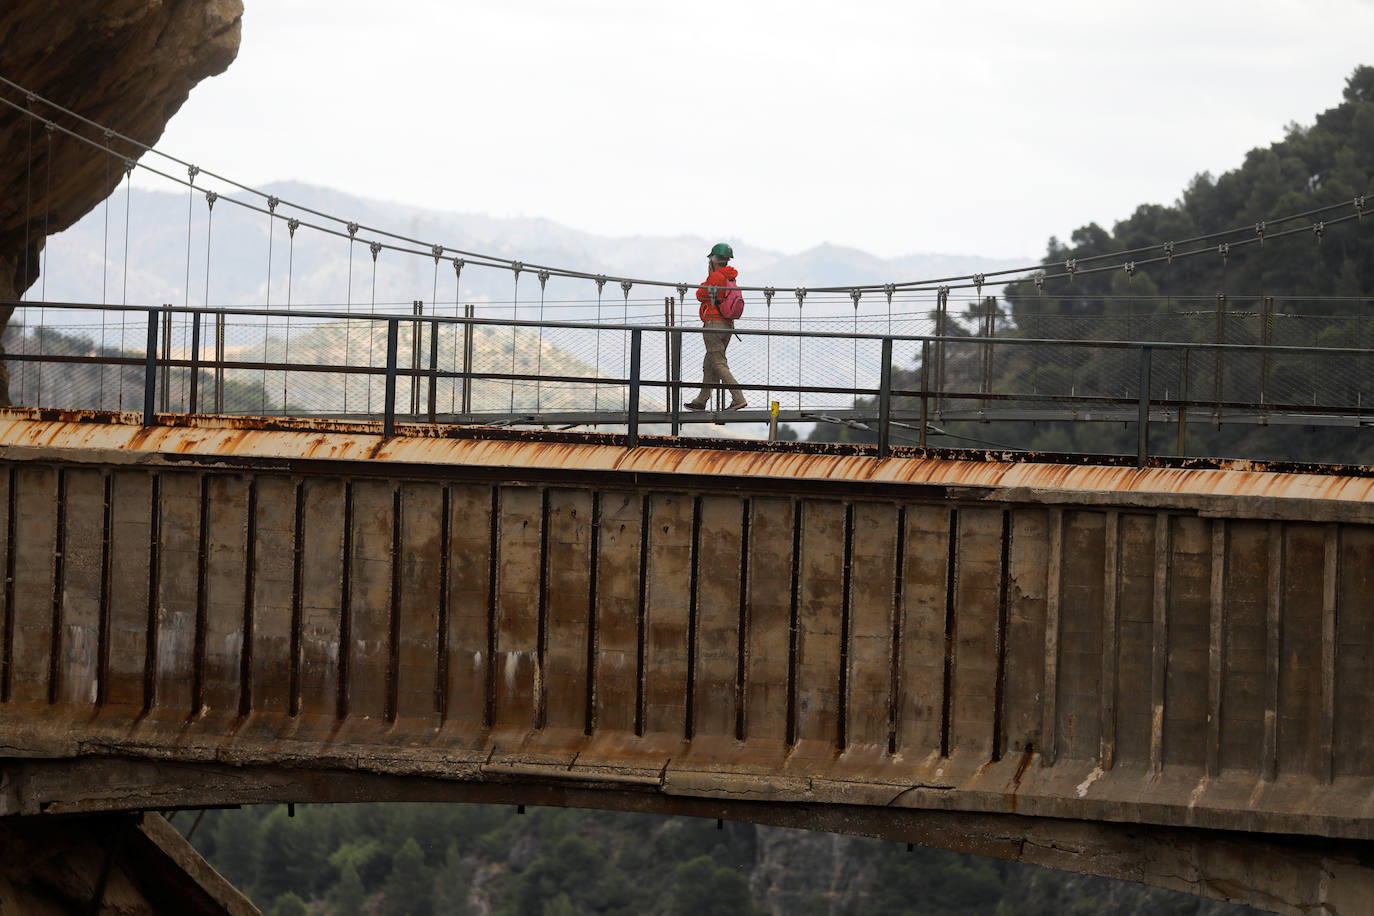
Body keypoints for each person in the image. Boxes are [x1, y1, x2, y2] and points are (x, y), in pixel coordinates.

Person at [685, 242, 747, 411]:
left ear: (713, 259)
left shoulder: (717, 277)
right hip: (727, 325)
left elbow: (700, 294)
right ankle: (701, 400)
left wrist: (707, 280)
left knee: (718, 363)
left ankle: (738, 397)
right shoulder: (730, 277)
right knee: (710, 363)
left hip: (713, 323)